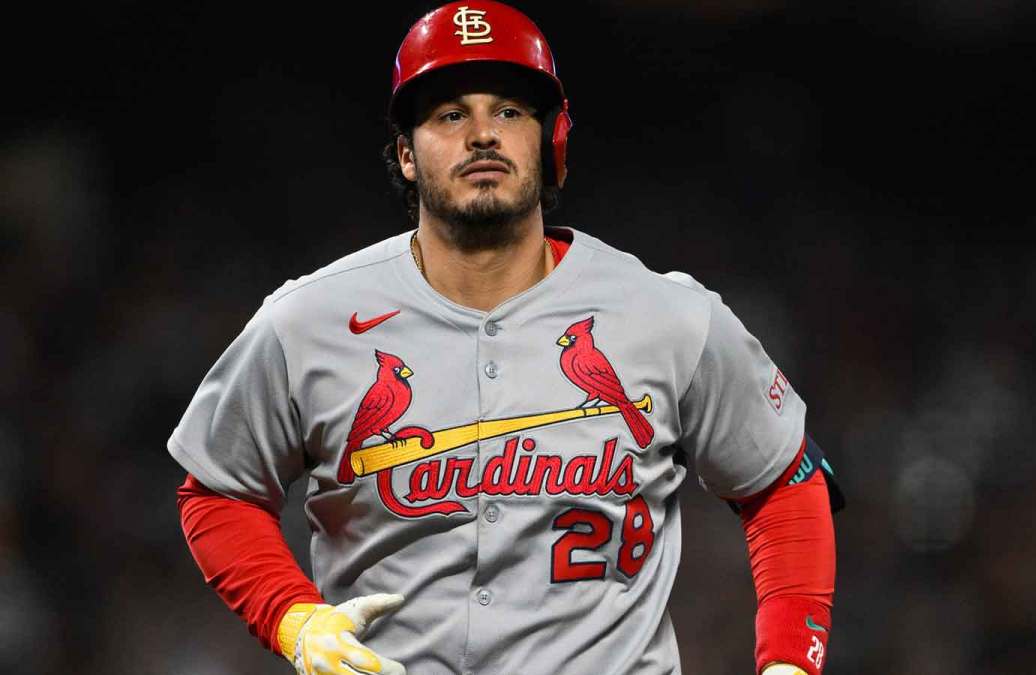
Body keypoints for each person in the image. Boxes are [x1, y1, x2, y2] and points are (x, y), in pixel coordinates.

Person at [169, 2, 842, 674]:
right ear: (406, 154)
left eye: (509, 111)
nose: (482, 134)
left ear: (552, 141)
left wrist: (790, 661)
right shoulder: (308, 320)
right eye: (450, 114)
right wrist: (293, 617)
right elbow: (218, 490)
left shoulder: (667, 316)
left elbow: (784, 482)